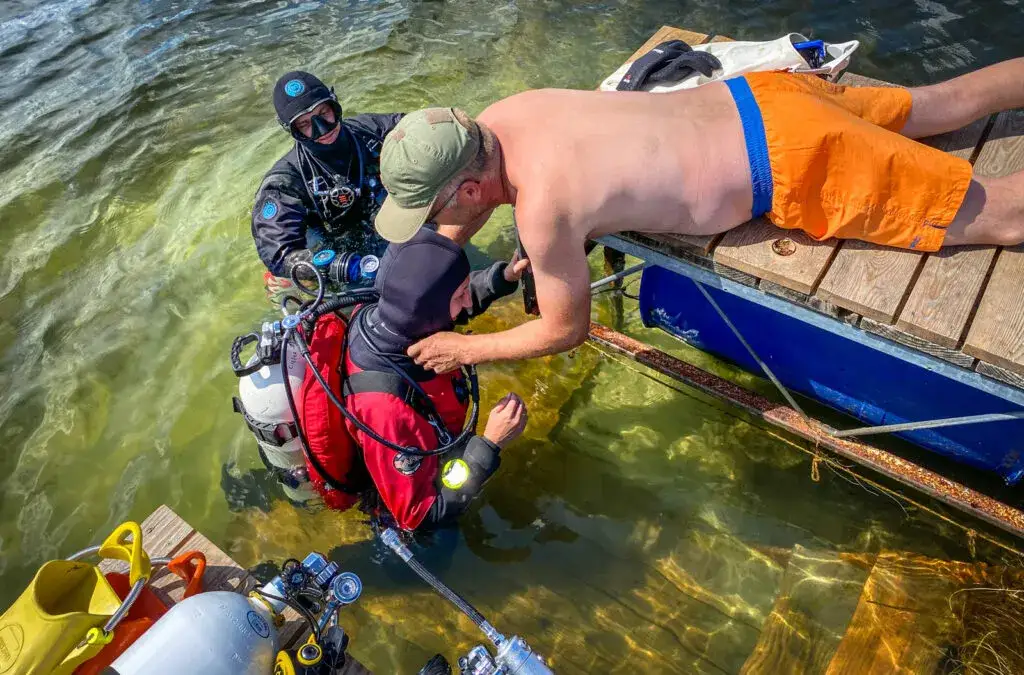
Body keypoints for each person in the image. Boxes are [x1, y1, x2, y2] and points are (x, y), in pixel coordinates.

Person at [370, 58, 1024, 372]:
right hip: (765, 95)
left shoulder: (542, 208)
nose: (439, 230)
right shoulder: (505, 114)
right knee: (939, 103)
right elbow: (592, 171)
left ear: (470, 190)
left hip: (795, 157)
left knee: (1001, 215)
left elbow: (563, 331)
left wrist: (466, 347)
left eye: (434, 214)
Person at [303, 226, 531, 531]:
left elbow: (446, 305)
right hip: (409, 503)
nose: (466, 302)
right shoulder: (386, 412)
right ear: (429, 310)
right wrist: (489, 445)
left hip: (425, 443)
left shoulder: (380, 312)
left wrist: (501, 279)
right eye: (461, 294)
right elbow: (421, 516)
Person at [251, 71, 402, 296]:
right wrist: (337, 267)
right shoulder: (286, 182)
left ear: (335, 105)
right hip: (335, 254)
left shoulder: (372, 132)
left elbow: (431, 131)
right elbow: (279, 253)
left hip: (387, 225)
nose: (322, 129)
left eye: (324, 113)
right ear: (291, 130)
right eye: (304, 124)